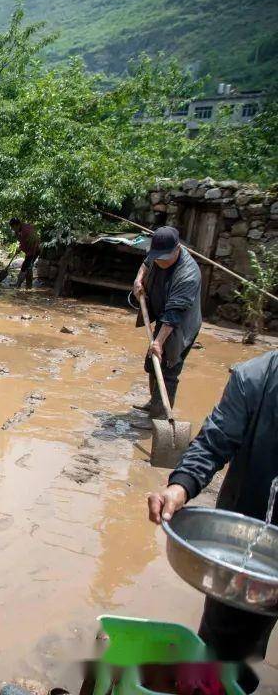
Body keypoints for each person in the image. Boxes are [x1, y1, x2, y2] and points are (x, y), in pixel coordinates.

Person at [147, 350, 278, 693]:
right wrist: (179, 487)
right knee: (228, 660)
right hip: (250, 551)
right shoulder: (254, 378)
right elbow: (212, 443)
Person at [131, 226, 202, 415]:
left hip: (180, 324)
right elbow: (146, 264)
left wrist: (158, 342)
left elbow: (173, 315)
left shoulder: (188, 275)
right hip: (164, 315)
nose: (160, 262)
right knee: (153, 362)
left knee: (169, 366)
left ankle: (161, 415)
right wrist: (139, 280)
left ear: (177, 249)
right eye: (158, 257)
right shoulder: (156, 254)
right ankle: (153, 403)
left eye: (164, 258)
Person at [9, 217, 41, 288]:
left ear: (17, 225)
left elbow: (30, 241)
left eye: (13, 227)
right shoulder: (20, 229)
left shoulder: (26, 231)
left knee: (25, 267)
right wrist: (20, 248)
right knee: (27, 267)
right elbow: (22, 241)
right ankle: (27, 285)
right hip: (29, 250)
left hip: (34, 250)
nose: (12, 229)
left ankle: (20, 285)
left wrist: (20, 248)